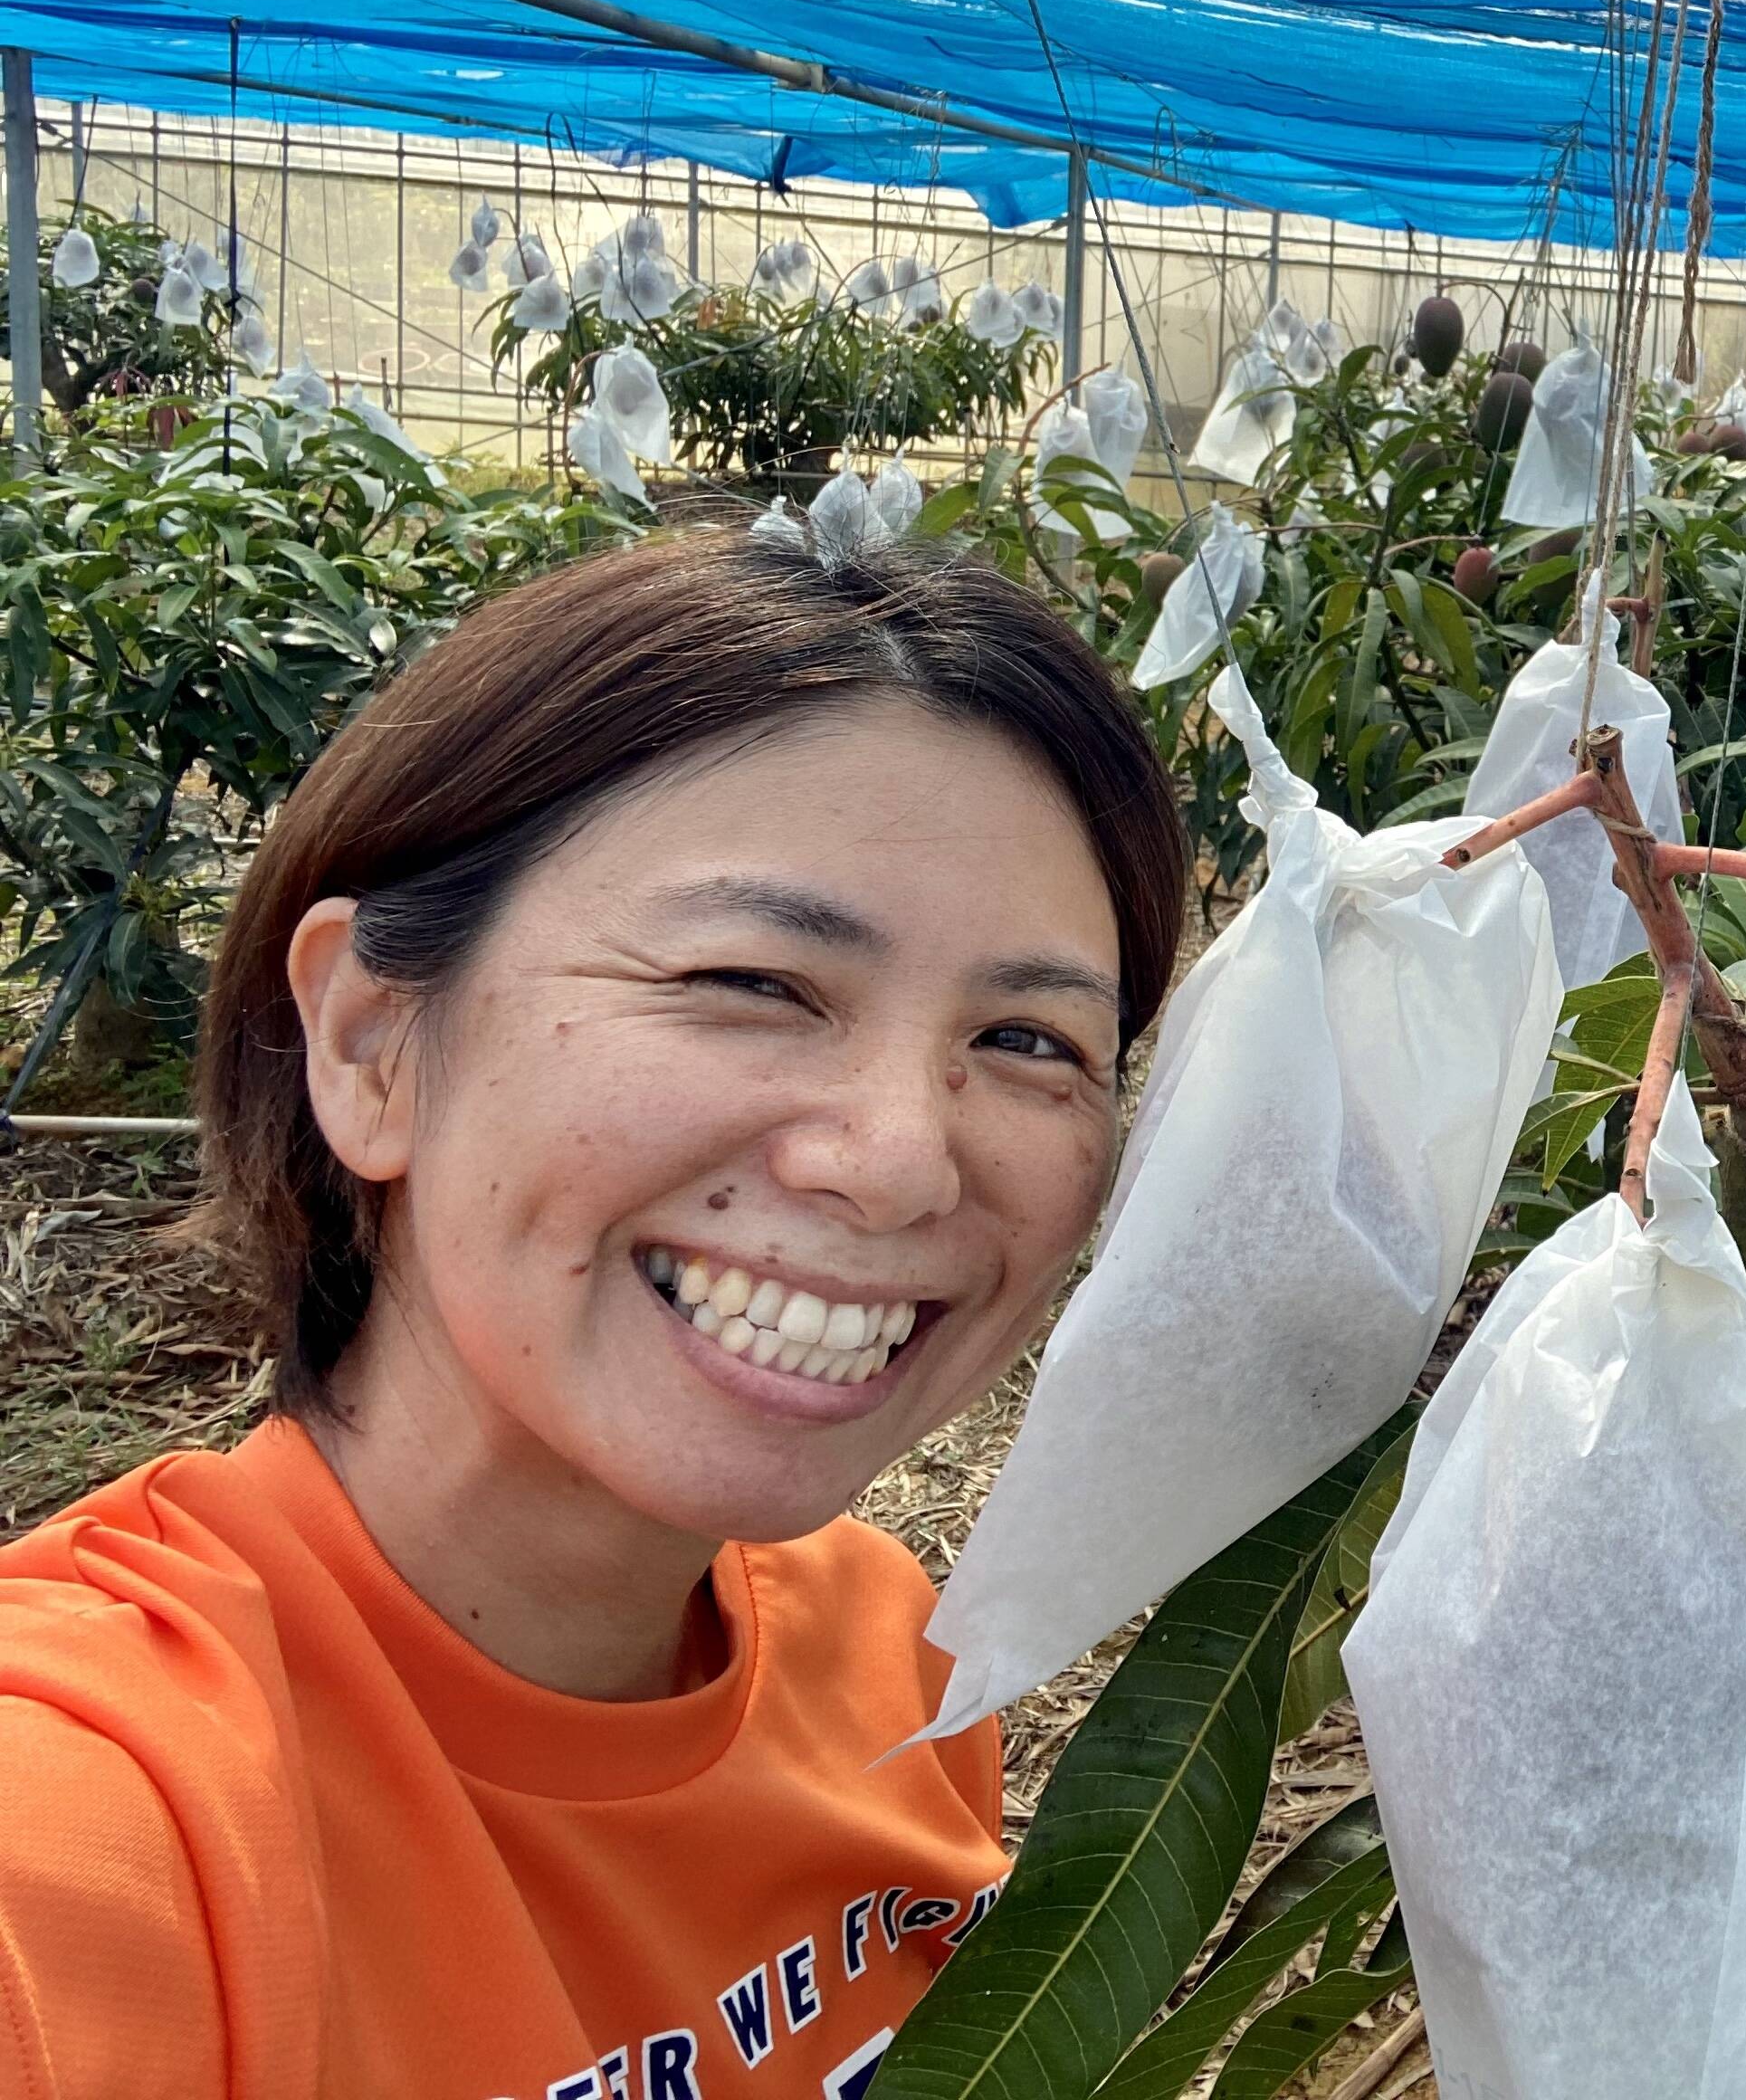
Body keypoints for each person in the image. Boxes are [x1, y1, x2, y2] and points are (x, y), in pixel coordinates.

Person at [0, 528, 1188, 2098]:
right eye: (753, 982)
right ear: (368, 1042)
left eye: (1033, 1039)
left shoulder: (890, 1655)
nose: (900, 1162)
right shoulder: (102, 1825)